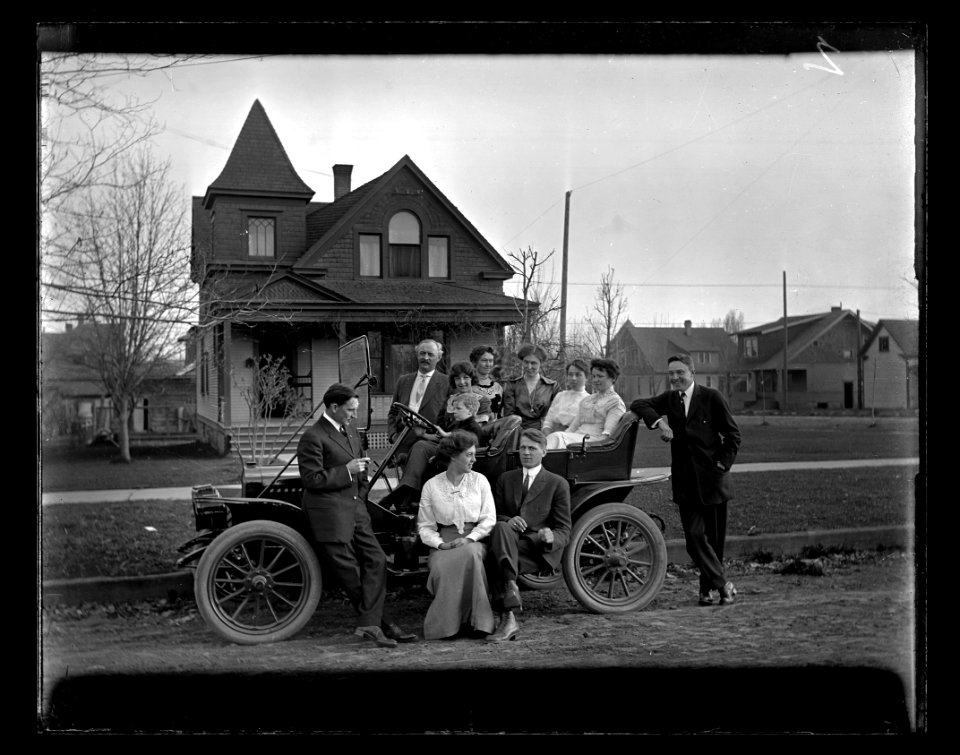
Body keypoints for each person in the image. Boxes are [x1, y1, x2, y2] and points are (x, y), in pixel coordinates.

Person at [297, 383, 418, 648]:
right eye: (350, 410)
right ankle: (381, 625)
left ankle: (371, 624)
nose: (354, 415)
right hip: (329, 514)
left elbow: (361, 465)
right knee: (351, 574)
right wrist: (348, 470)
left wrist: (361, 493)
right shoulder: (313, 437)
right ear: (334, 407)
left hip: (356, 509)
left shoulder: (350, 429)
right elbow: (311, 479)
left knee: (376, 560)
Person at [629, 353, 742, 607]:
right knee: (693, 538)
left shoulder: (711, 397)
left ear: (692, 373)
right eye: (671, 373)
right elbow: (638, 403)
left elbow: (733, 436)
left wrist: (721, 465)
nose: (675, 377)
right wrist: (659, 423)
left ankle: (707, 590)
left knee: (714, 541)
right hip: (685, 481)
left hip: (713, 482)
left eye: (680, 372)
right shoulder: (670, 399)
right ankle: (724, 584)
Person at [485, 428, 571, 642]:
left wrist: (551, 536)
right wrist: (508, 520)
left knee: (494, 557)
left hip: (535, 549)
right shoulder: (506, 479)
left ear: (544, 451)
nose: (526, 452)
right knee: (501, 528)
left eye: (532, 448)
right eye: (522, 448)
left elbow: (564, 530)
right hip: (509, 542)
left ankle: (507, 599)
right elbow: (493, 515)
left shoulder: (557, 483)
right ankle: (510, 602)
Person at [416, 431, 498, 640]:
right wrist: (440, 544)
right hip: (445, 542)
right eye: (469, 454)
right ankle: (447, 625)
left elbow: (489, 519)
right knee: (441, 564)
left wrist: (470, 538)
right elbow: (425, 526)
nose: (474, 459)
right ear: (454, 456)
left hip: (475, 539)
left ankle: (478, 623)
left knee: (471, 554)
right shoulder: (432, 486)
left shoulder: (480, 481)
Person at [380, 391, 484, 512]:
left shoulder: (473, 428)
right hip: (445, 453)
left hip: (452, 458)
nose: (454, 411)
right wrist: (423, 434)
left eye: (458, 409)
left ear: (470, 411)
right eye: (454, 408)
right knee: (420, 445)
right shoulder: (459, 424)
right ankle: (406, 491)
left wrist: (439, 452)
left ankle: (405, 490)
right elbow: (442, 438)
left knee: (420, 446)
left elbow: (460, 442)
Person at [545, 358, 626, 449]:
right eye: (594, 376)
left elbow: (607, 436)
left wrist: (570, 441)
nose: (595, 380)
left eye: (600, 376)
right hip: (577, 440)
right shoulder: (587, 400)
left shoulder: (615, 402)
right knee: (556, 438)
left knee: (557, 438)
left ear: (613, 378)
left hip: (593, 443)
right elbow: (572, 428)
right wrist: (565, 437)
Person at [387, 339, 450, 456]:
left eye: (430, 354)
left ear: (439, 358)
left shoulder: (447, 383)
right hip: (403, 443)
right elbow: (393, 412)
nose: (425, 358)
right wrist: (392, 435)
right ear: (417, 355)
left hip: (431, 445)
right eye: (422, 353)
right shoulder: (403, 381)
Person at [501, 343, 560, 430]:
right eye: (526, 362)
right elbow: (509, 415)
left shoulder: (552, 386)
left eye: (533, 363)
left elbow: (556, 415)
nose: (529, 367)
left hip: (543, 431)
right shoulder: (512, 385)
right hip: (517, 431)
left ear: (541, 363)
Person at [541, 358, 591, 436]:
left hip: (573, 441)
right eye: (570, 374)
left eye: (578, 375)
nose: (573, 378)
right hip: (551, 437)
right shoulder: (560, 396)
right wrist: (548, 436)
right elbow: (548, 422)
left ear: (586, 378)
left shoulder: (589, 400)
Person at [469, 345, 504, 422]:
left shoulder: (498, 387)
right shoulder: (468, 385)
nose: (488, 364)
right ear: (475, 362)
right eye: (484, 360)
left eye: (491, 361)